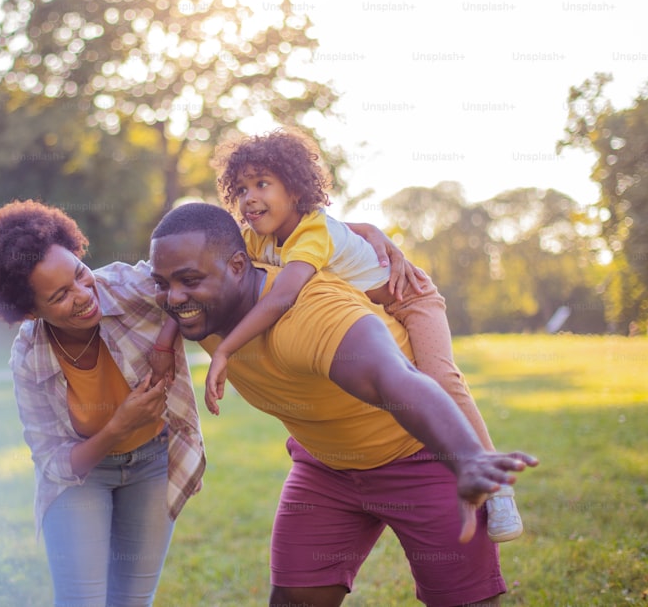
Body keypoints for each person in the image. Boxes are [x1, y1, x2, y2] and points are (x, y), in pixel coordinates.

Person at [149, 202, 538, 607]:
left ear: (236, 266)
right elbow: (101, 285)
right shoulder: (197, 300)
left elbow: (396, 380)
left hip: (424, 453)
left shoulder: (313, 314)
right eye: (163, 283)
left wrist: (466, 458)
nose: (174, 298)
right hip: (327, 467)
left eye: (189, 281)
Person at [205, 128, 523, 543]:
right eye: (242, 188)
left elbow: (283, 296)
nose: (250, 198)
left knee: (439, 378)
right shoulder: (258, 237)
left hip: (410, 299)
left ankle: (497, 486)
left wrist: (224, 350)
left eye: (263, 183)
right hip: (371, 308)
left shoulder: (310, 233)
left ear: (296, 190)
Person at [0, 199, 205, 607]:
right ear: (28, 311)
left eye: (79, 274)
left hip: (152, 463)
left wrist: (165, 341)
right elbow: (54, 461)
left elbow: (187, 280)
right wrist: (117, 428)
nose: (83, 295)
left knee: (131, 601)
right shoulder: (28, 359)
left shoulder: (126, 288)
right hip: (82, 477)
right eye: (59, 296)